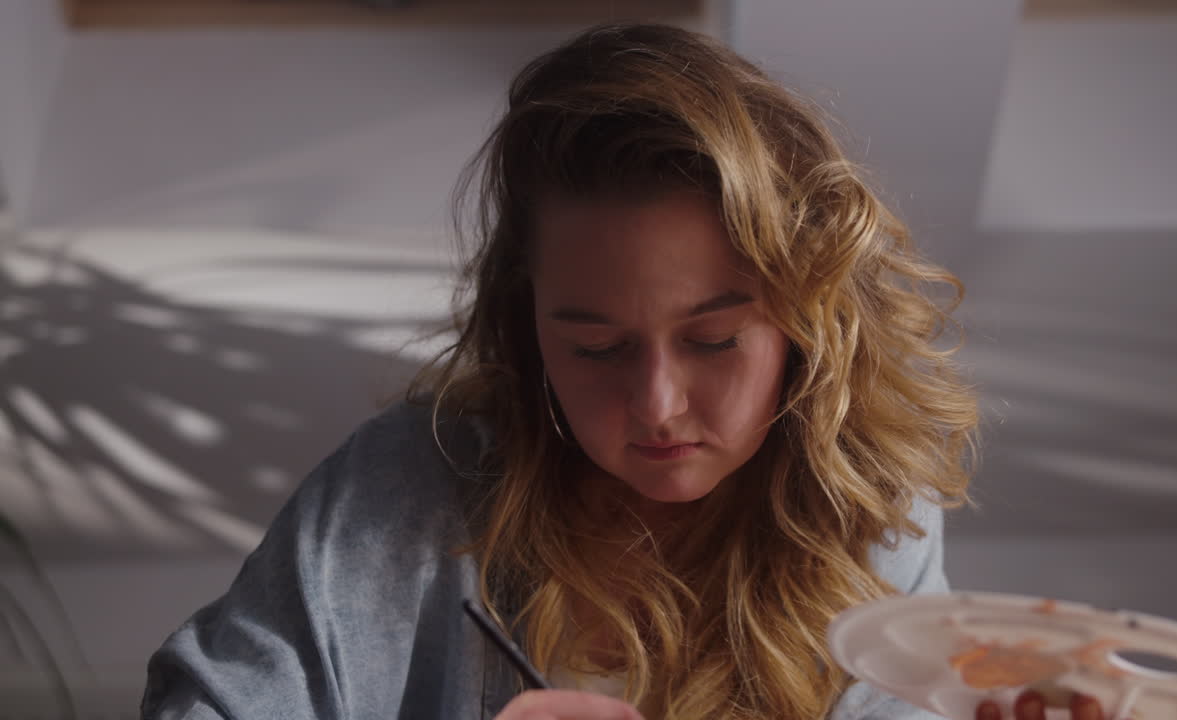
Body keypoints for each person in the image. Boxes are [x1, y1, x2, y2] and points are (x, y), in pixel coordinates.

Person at [141, 22, 1100, 720]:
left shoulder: (871, 510)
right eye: (596, 348)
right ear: (527, 330)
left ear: (807, 326)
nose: (657, 405)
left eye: (713, 340)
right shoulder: (406, 486)